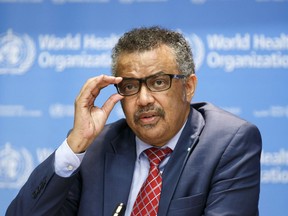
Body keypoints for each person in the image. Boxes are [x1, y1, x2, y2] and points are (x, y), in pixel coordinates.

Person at [6, 26, 262, 216]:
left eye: (158, 82)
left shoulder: (229, 142)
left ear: (189, 87)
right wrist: (75, 144)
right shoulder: (96, 147)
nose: (143, 99)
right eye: (130, 86)